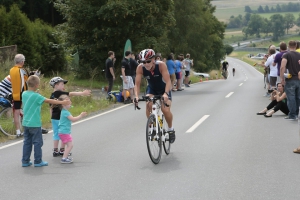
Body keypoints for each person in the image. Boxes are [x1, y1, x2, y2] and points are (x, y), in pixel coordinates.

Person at [21, 75, 70, 167]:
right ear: (36, 85)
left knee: (27, 142)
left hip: (25, 123)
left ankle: (25, 161)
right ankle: (38, 161)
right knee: (37, 142)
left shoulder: (24, 94)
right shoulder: (37, 96)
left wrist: (37, 93)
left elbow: (32, 98)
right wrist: (62, 102)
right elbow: (49, 101)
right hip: (35, 124)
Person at [134, 49, 176, 143]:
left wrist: (165, 93)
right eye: (143, 62)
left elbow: (168, 81)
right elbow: (137, 84)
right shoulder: (140, 68)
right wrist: (136, 96)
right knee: (148, 104)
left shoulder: (161, 65)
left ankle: (170, 129)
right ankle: (152, 127)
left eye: (148, 61)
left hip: (164, 88)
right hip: (152, 89)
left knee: (165, 109)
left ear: (153, 60)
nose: (146, 64)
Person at [49, 77, 91, 157]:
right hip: (60, 117)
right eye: (61, 84)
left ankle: (55, 150)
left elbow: (50, 107)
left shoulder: (52, 95)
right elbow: (71, 94)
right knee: (63, 132)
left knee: (56, 134)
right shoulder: (58, 93)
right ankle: (62, 150)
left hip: (54, 117)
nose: (63, 86)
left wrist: (51, 117)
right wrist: (82, 93)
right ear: (56, 85)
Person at [57, 94, 87, 164]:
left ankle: (65, 156)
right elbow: (73, 119)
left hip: (64, 132)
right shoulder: (65, 113)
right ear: (63, 105)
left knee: (68, 145)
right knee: (70, 145)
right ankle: (64, 158)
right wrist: (81, 115)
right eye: (68, 102)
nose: (70, 103)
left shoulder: (64, 112)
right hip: (64, 132)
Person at [10, 54, 29, 137]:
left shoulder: (12, 70)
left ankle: (18, 131)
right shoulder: (22, 70)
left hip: (15, 93)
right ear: (22, 62)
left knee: (16, 112)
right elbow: (27, 80)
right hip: (23, 93)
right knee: (26, 110)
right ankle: (27, 129)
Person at [280, 40, 300, 120]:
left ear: (288, 46)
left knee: (291, 97)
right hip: (298, 79)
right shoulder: (299, 55)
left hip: (290, 78)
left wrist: (282, 77)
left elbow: (282, 66)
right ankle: (296, 113)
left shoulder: (286, 55)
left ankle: (292, 115)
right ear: (296, 45)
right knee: (298, 97)